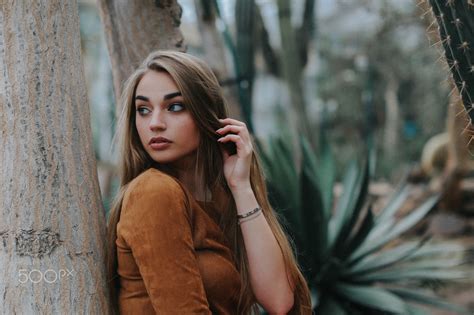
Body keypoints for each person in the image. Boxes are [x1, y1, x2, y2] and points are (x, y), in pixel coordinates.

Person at [105, 50, 312, 314]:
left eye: (175, 107)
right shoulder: (154, 192)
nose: (155, 123)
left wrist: (241, 187)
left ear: (208, 115)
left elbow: (279, 300)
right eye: (143, 110)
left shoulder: (216, 198)